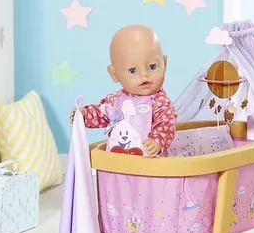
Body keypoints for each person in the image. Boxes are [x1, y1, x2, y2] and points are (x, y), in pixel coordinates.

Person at [70, 25, 176, 157]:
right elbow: (101, 114)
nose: (144, 74)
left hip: (149, 163)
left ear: (164, 64)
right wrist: (84, 115)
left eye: (152, 67)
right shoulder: (115, 101)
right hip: (118, 162)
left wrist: (157, 141)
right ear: (114, 74)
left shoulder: (161, 103)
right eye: (133, 70)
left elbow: (165, 124)